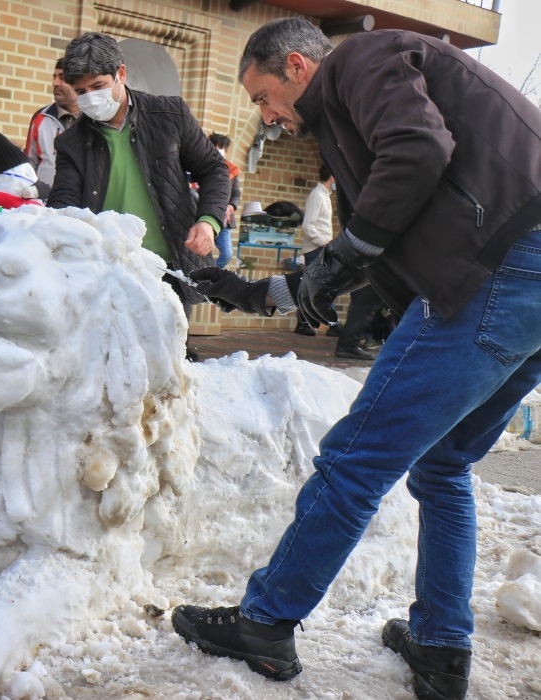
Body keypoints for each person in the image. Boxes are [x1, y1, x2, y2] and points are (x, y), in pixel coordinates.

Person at [172, 18, 541, 700]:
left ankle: (267, 622)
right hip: (526, 278)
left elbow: (418, 149)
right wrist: (246, 292)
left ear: (296, 66)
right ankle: (439, 646)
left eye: (263, 97)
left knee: (354, 461)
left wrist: (342, 258)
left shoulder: (363, 59)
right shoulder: (356, 116)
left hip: (501, 268)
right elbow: (374, 248)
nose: (269, 117)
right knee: (444, 464)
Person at [47, 32, 230, 349]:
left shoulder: (169, 115)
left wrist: (208, 221)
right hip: (107, 272)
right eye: (81, 91)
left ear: (121, 73)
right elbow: (63, 204)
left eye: (98, 86)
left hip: (168, 266)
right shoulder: (71, 143)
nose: (90, 97)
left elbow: (214, 168)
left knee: (169, 359)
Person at [24, 57, 80, 189]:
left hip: (80, 204)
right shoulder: (40, 117)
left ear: (77, 82)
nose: (55, 83)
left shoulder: (93, 119)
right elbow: (28, 166)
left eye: (62, 77)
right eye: (54, 77)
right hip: (44, 202)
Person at [293, 162, 335, 336]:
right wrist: (324, 241)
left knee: (323, 287)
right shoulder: (317, 195)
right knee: (312, 287)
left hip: (322, 248)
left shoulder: (325, 195)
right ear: (333, 177)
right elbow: (308, 225)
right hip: (315, 249)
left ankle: (330, 324)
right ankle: (303, 323)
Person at [206, 133, 241, 269]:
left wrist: (231, 207)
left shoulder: (231, 169)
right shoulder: (200, 166)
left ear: (226, 151)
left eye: (221, 147)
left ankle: (210, 272)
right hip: (204, 215)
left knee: (227, 253)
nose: (218, 150)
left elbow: (236, 193)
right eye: (215, 146)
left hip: (224, 220)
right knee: (202, 251)